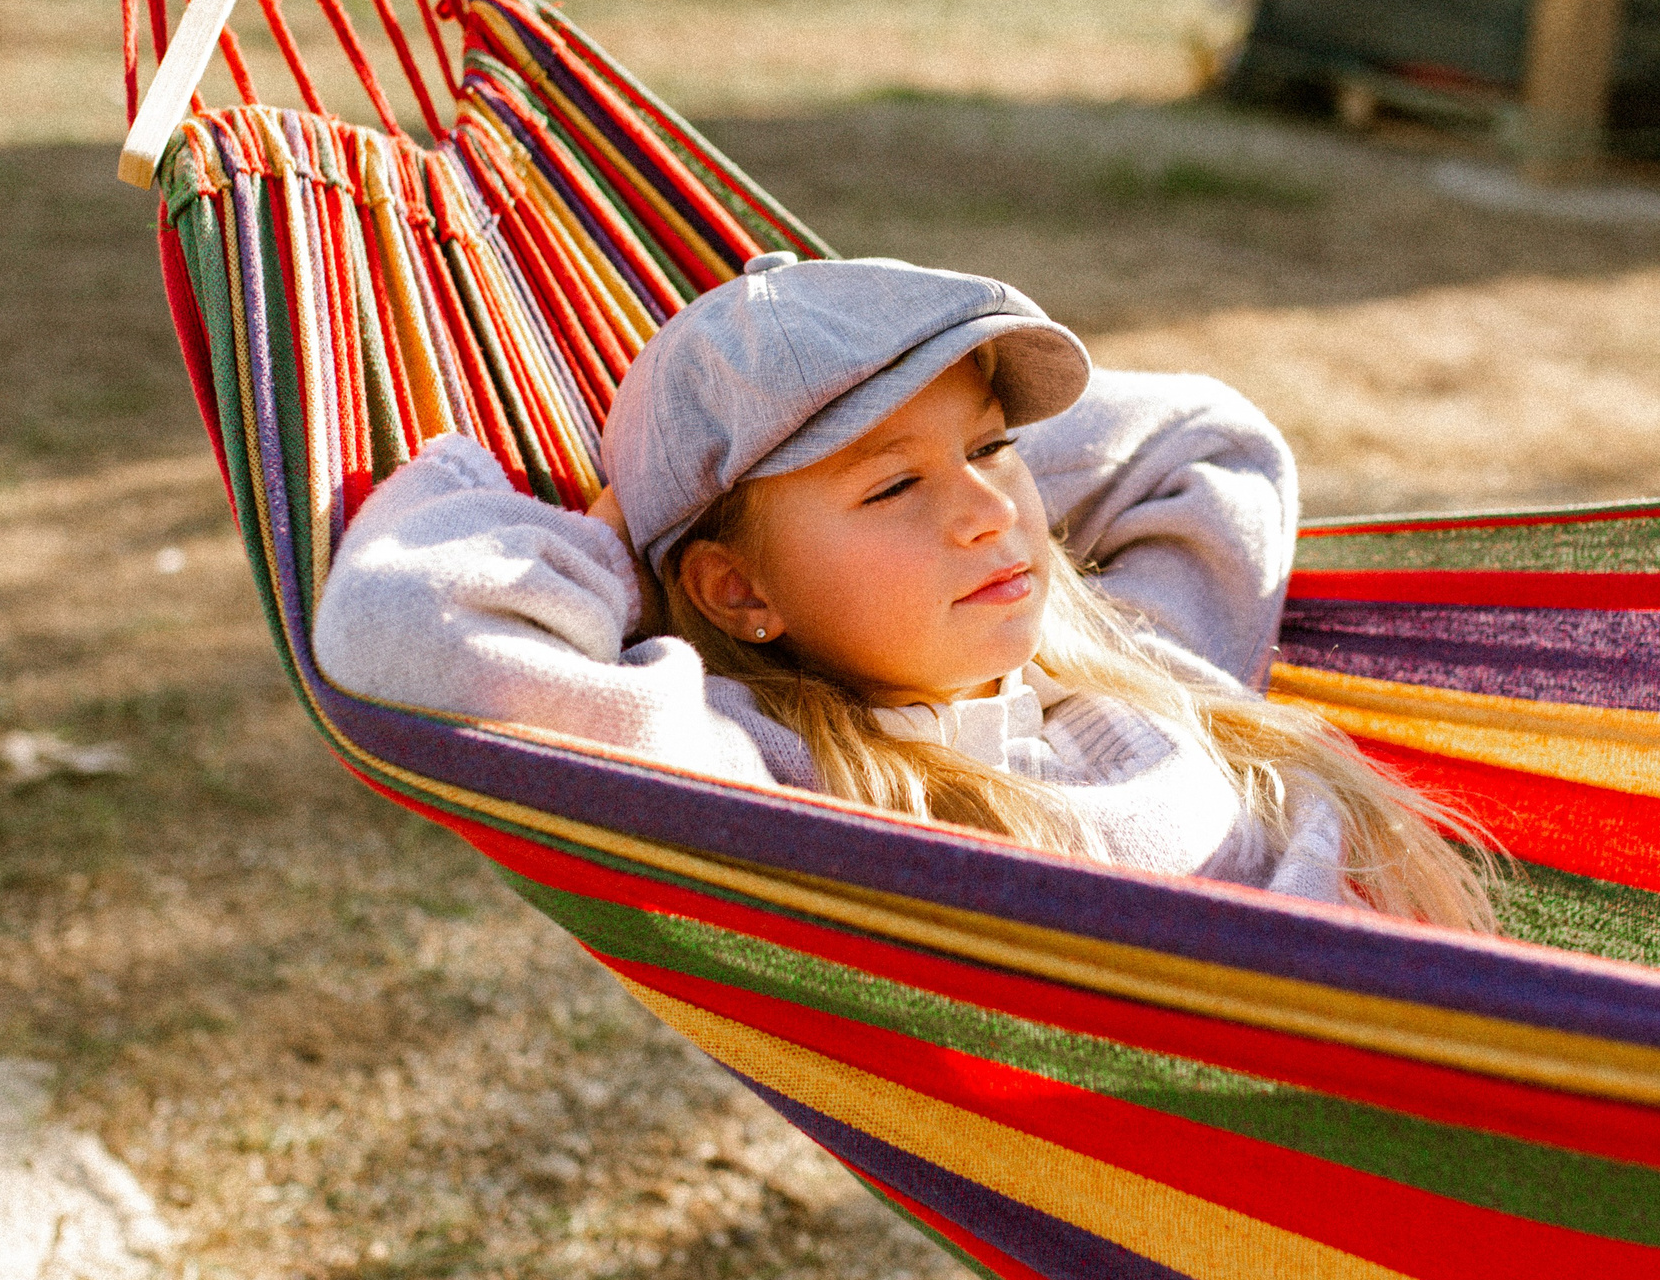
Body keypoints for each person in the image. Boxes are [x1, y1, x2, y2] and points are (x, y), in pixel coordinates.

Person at [314, 253, 1501, 933]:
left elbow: (1208, 444)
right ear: (737, 592)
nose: (989, 512)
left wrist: (937, 430)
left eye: (994, 451)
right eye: (891, 491)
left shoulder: (1136, 654)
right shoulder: (771, 773)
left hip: (1484, 1050)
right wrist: (613, 539)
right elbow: (408, 628)